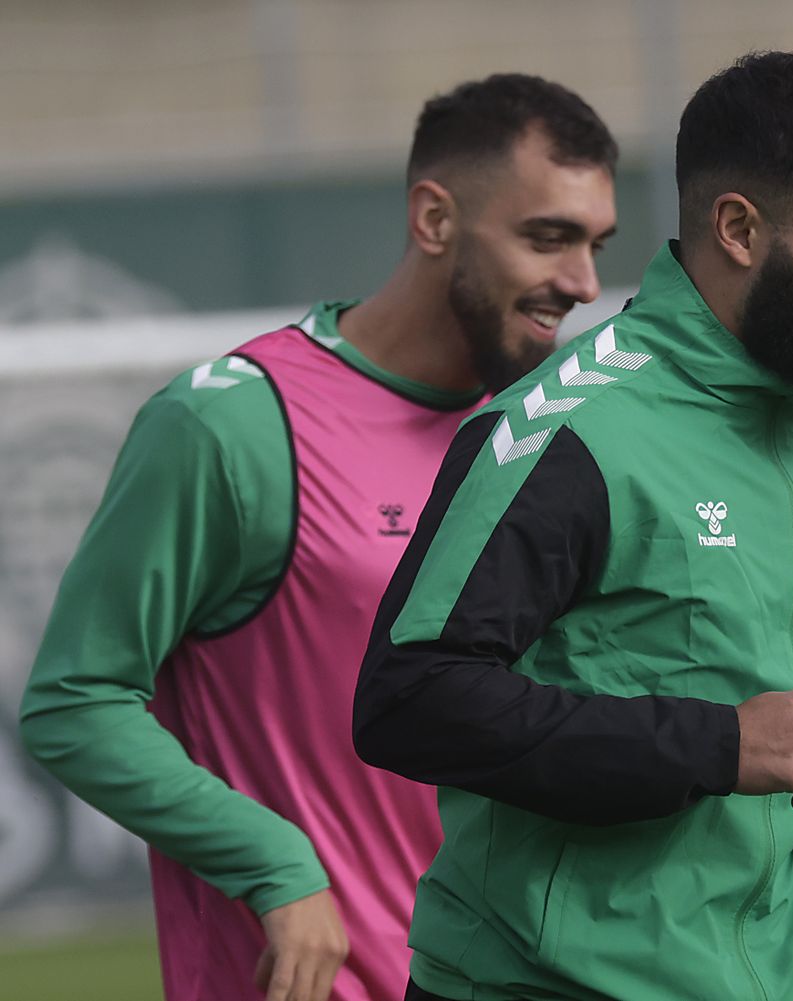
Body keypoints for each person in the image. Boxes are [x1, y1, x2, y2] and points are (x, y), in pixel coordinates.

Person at [352, 51, 793, 1001]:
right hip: (549, 984)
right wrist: (715, 745)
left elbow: (765, 707)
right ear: (738, 228)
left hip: (779, 976)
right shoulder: (568, 428)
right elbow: (411, 697)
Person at [19, 74, 618, 1001]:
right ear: (434, 219)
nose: (581, 282)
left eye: (594, 245)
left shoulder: (552, 439)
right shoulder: (232, 424)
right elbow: (76, 700)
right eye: (547, 237)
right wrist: (276, 862)